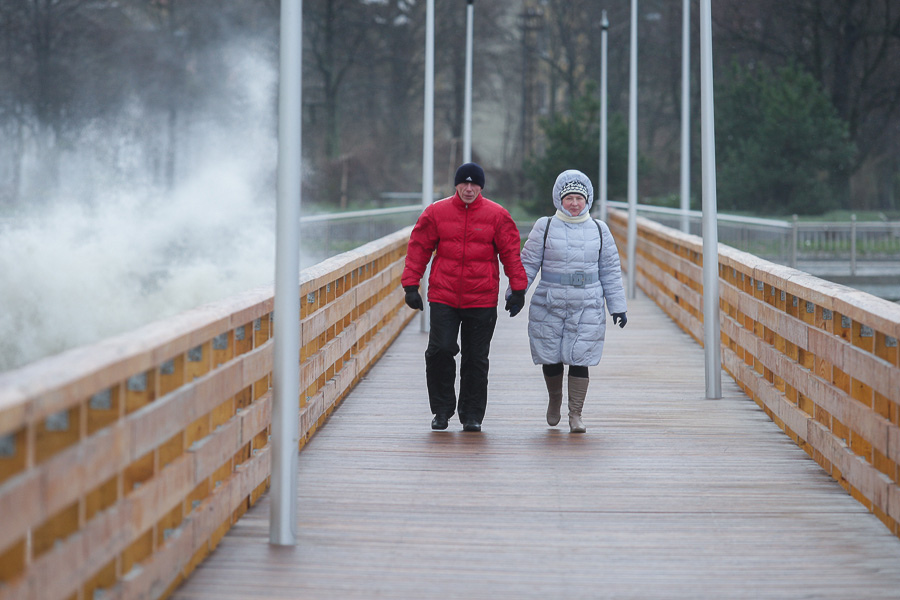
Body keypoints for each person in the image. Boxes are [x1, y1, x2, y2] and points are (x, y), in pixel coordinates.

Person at [402, 162, 528, 432]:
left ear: (481, 187)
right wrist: (411, 285)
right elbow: (419, 247)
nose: (469, 189)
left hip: (481, 298)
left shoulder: (497, 215)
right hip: (444, 295)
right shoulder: (436, 212)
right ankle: (442, 410)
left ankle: (472, 415)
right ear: (456, 185)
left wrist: (518, 289)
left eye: (474, 184)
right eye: (464, 183)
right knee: (440, 350)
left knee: (476, 358)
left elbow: (511, 253)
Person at [510, 169, 627, 433]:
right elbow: (528, 263)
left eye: (579, 198)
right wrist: (516, 293)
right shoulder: (545, 226)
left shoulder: (599, 230)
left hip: (588, 303)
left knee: (580, 357)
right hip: (550, 301)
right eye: (569, 198)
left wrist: (617, 307)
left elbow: (610, 270)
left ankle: (576, 414)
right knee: (550, 356)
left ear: (587, 200)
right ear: (559, 200)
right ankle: (555, 399)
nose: (574, 203)